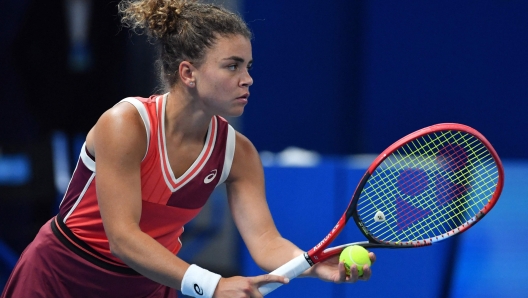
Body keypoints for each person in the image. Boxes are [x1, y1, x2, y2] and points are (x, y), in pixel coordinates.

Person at [1, 0, 375, 297]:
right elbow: (123, 238)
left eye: (247, 65)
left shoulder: (238, 153)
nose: (248, 79)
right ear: (188, 73)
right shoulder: (126, 125)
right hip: (61, 277)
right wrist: (211, 285)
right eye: (231, 66)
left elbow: (266, 242)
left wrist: (314, 264)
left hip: (147, 284)